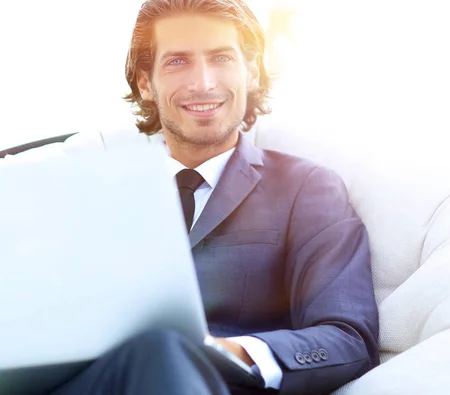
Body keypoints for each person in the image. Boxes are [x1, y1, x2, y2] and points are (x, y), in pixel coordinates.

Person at [48, 0, 379, 394]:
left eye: (221, 57)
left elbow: (349, 339)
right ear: (144, 83)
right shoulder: (85, 196)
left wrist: (227, 352)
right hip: (93, 383)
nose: (202, 82)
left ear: (251, 72)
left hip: (217, 383)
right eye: (177, 62)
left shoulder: (306, 188)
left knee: (163, 350)